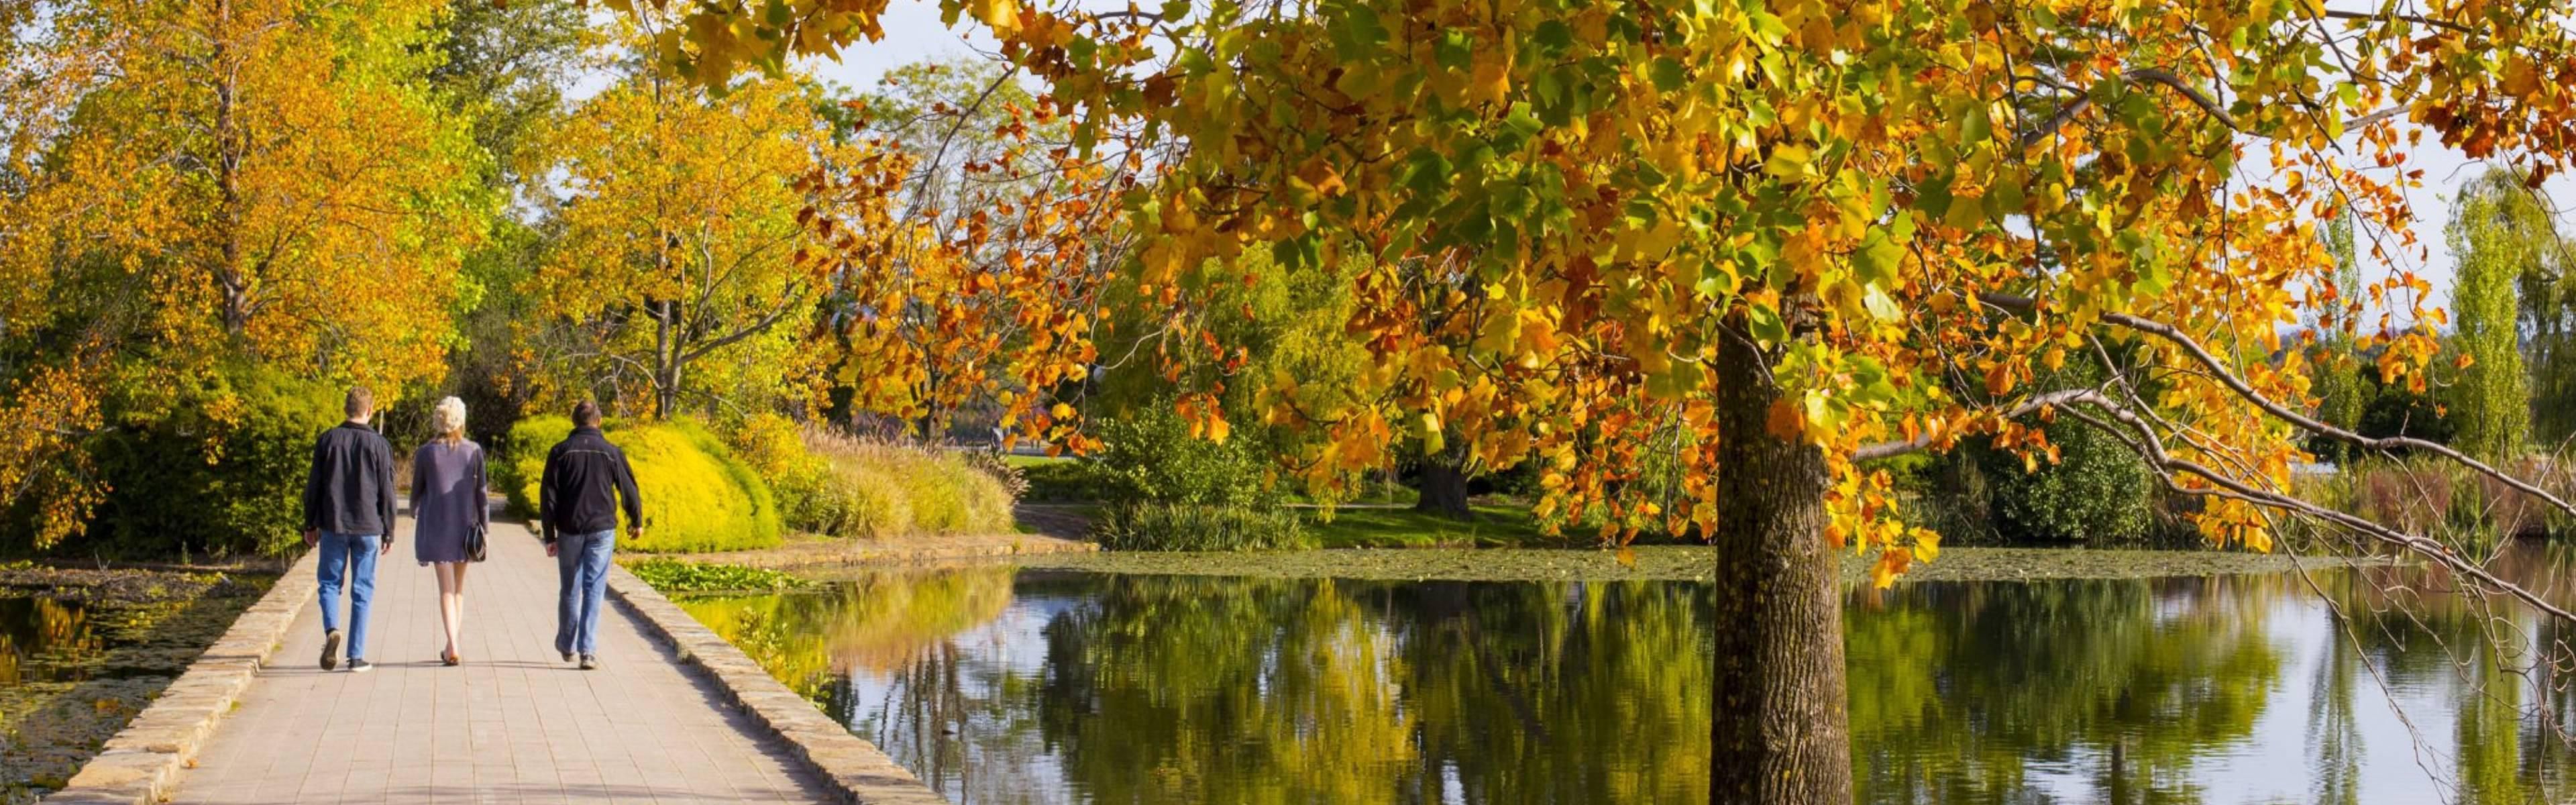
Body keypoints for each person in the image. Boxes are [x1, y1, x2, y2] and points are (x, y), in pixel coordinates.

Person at [538, 400, 641, 670]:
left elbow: (548, 497)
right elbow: (629, 489)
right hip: (602, 528)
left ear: (574, 421)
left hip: (569, 527)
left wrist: (549, 535)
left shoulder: (559, 452)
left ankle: (567, 645)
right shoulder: (611, 452)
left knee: (570, 587)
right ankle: (588, 651)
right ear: (600, 421)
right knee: (594, 587)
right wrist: (636, 520)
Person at [301, 386, 397, 673]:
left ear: (346, 409)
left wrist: (310, 523)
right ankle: (356, 656)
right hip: (368, 526)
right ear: (370, 410)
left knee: (330, 583)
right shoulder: (380, 445)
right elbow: (387, 492)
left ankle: (332, 629)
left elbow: (314, 487)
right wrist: (389, 529)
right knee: (362, 588)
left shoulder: (327, 440)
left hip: (334, 524)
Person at [410, 396, 488, 666]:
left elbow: (417, 491)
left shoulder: (425, 453)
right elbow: (483, 493)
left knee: (445, 587)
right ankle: (451, 643)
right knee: (458, 588)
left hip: (436, 525)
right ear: (461, 420)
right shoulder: (474, 451)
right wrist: (485, 528)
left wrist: (413, 510)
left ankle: (452, 645)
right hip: (465, 525)